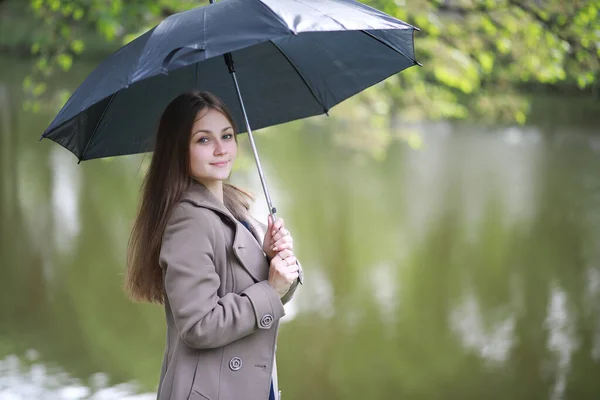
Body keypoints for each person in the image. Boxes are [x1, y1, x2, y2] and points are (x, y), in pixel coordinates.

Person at [125, 90, 302, 400]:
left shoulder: (233, 209)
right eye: (204, 140)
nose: (221, 149)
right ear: (178, 149)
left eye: (227, 135)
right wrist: (271, 290)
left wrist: (273, 261)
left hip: (251, 385)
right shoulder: (188, 220)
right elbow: (199, 324)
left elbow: (264, 301)